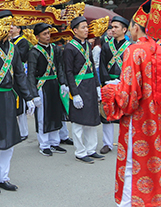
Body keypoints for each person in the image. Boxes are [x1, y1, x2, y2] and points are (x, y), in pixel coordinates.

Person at [101, 0, 161, 207]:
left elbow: (128, 96)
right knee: (157, 160)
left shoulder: (134, 51)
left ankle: (130, 202)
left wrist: (111, 92)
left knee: (132, 163)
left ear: (136, 27)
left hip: (138, 121)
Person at [0, 11, 35, 195]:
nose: (10, 28)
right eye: (6, 24)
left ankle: (3, 177)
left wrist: (28, 97)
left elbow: (19, 74)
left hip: (9, 98)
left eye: (11, 24)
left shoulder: (13, 48)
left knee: (9, 139)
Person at [64, 16, 101, 164]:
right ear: (75, 30)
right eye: (83, 27)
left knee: (91, 119)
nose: (87, 30)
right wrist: (75, 93)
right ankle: (80, 151)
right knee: (79, 121)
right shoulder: (69, 48)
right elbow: (68, 72)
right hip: (79, 87)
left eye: (87, 27)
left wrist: (97, 86)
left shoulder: (87, 45)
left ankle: (91, 149)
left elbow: (92, 65)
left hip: (90, 85)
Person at [27, 23, 66, 157]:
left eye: (48, 33)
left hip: (54, 84)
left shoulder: (55, 49)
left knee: (55, 113)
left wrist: (63, 83)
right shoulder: (34, 52)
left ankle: (55, 142)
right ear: (37, 37)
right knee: (43, 115)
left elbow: (60, 68)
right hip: (42, 86)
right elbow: (30, 74)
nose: (48, 36)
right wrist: (33, 94)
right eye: (44, 34)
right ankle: (44, 144)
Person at [97, 16, 131, 155]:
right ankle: (107, 143)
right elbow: (102, 65)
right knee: (106, 114)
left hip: (124, 83)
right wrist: (106, 82)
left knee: (126, 114)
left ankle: (127, 143)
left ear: (124, 30)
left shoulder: (131, 47)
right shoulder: (106, 46)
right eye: (112, 27)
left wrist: (123, 81)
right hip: (109, 83)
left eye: (116, 27)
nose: (113, 30)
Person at [9, 24, 30, 140]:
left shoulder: (23, 42)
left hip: (19, 74)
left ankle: (23, 131)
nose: (11, 28)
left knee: (20, 104)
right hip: (9, 75)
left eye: (14, 26)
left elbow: (21, 57)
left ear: (19, 29)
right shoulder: (8, 41)